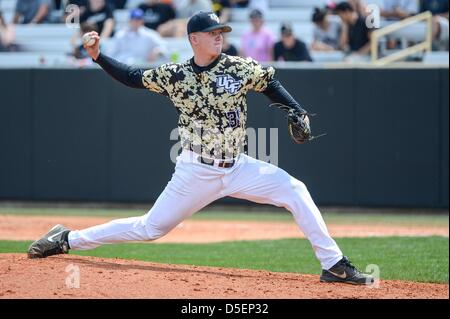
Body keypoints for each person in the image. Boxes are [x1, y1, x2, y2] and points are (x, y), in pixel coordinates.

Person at [27, 11, 374, 286]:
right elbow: (133, 76)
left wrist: (296, 112)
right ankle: (68, 239)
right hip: (196, 169)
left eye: (221, 31)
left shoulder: (237, 67)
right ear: (194, 39)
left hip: (238, 167)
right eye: (212, 32)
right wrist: (99, 56)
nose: (219, 36)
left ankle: (334, 265)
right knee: (151, 229)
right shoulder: (175, 75)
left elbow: (270, 83)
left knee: (295, 190)